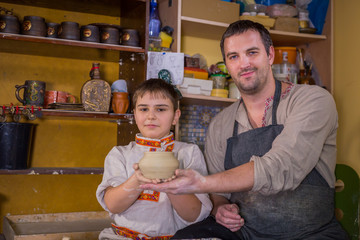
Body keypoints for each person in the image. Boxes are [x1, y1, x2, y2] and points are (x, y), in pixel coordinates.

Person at [140, 20, 349, 239]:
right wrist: (219, 207)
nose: (244, 63)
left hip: (312, 233)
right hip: (244, 233)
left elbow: (282, 167)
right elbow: (218, 194)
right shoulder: (220, 124)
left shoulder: (313, 100)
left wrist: (200, 183)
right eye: (234, 57)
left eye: (252, 52)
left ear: (270, 55)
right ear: (227, 65)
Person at [96, 78, 212, 240]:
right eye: (143, 109)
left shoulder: (189, 153)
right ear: (134, 114)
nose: (151, 116)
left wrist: (171, 185)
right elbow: (113, 206)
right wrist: (136, 180)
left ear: (175, 116)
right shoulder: (120, 154)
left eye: (161, 109)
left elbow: (194, 215)